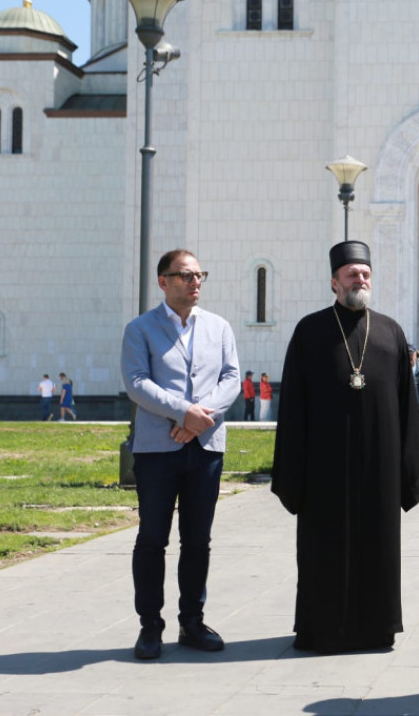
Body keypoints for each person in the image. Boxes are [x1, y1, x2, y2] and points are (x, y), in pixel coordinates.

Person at [271, 240, 419, 654]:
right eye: (352, 274)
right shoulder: (310, 331)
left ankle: (377, 629)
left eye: (366, 274)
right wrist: (292, 473)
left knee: (378, 548)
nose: (361, 279)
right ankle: (320, 630)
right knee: (323, 550)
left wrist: (409, 472)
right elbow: (293, 406)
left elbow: (407, 408)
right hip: (325, 468)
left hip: (379, 468)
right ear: (334, 282)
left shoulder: (391, 332)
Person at [120, 249, 240, 660]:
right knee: (152, 538)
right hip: (157, 449)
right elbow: (136, 382)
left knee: (197, 540)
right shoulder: (141, 329)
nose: (195, 282)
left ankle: (192, 621)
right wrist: (181, 412)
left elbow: (231, 378)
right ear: (163, 281)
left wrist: (199, 416)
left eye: (199, 275)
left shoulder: (219, 327)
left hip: (205, 448)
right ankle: (150, 626)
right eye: (185, 275)